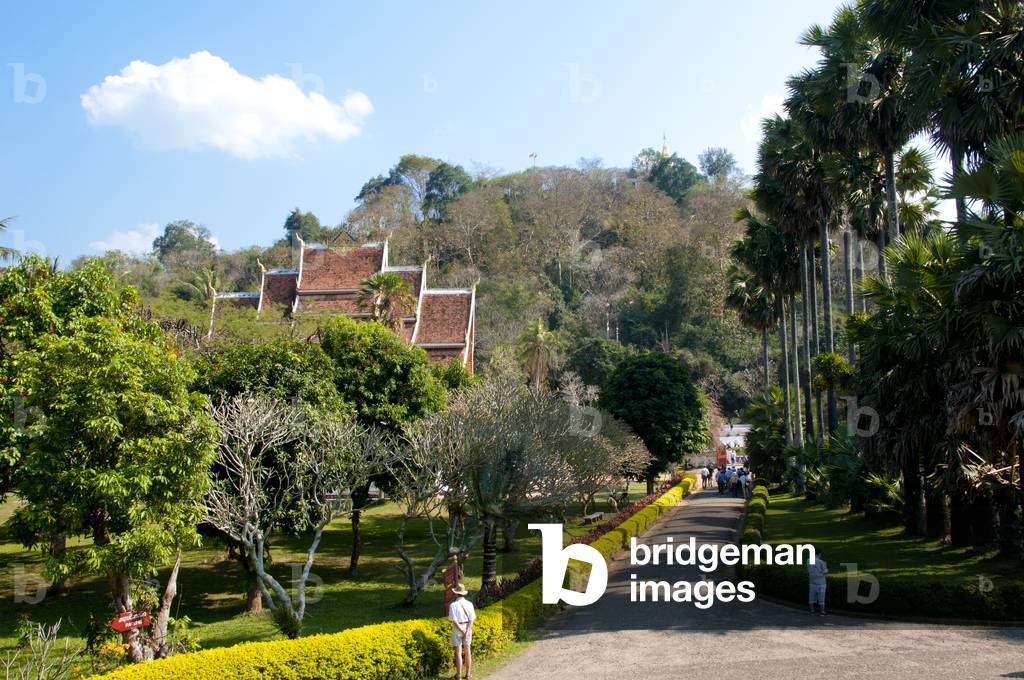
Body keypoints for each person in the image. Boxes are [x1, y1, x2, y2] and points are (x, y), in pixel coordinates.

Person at [448, 582, 476, 679]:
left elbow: (454, 621)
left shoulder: (453, 605)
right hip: (467, 628)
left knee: (458, 652)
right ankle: (468, 674)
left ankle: (458, 675)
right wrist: (467, 630)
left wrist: (462, 630)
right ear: (463, 593)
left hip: (457, 629)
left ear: (456, 593)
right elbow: (472, 619)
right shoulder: (469, 604)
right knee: (467, 651)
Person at [807, 549, 828, 616]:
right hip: (821, 582)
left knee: (811, 597)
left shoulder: (808, 560)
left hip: (812, 581)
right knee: (821, 597)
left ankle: (812, 610)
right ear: (819, 554)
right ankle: (822, 611)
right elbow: (825, 572)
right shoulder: (821, 562)